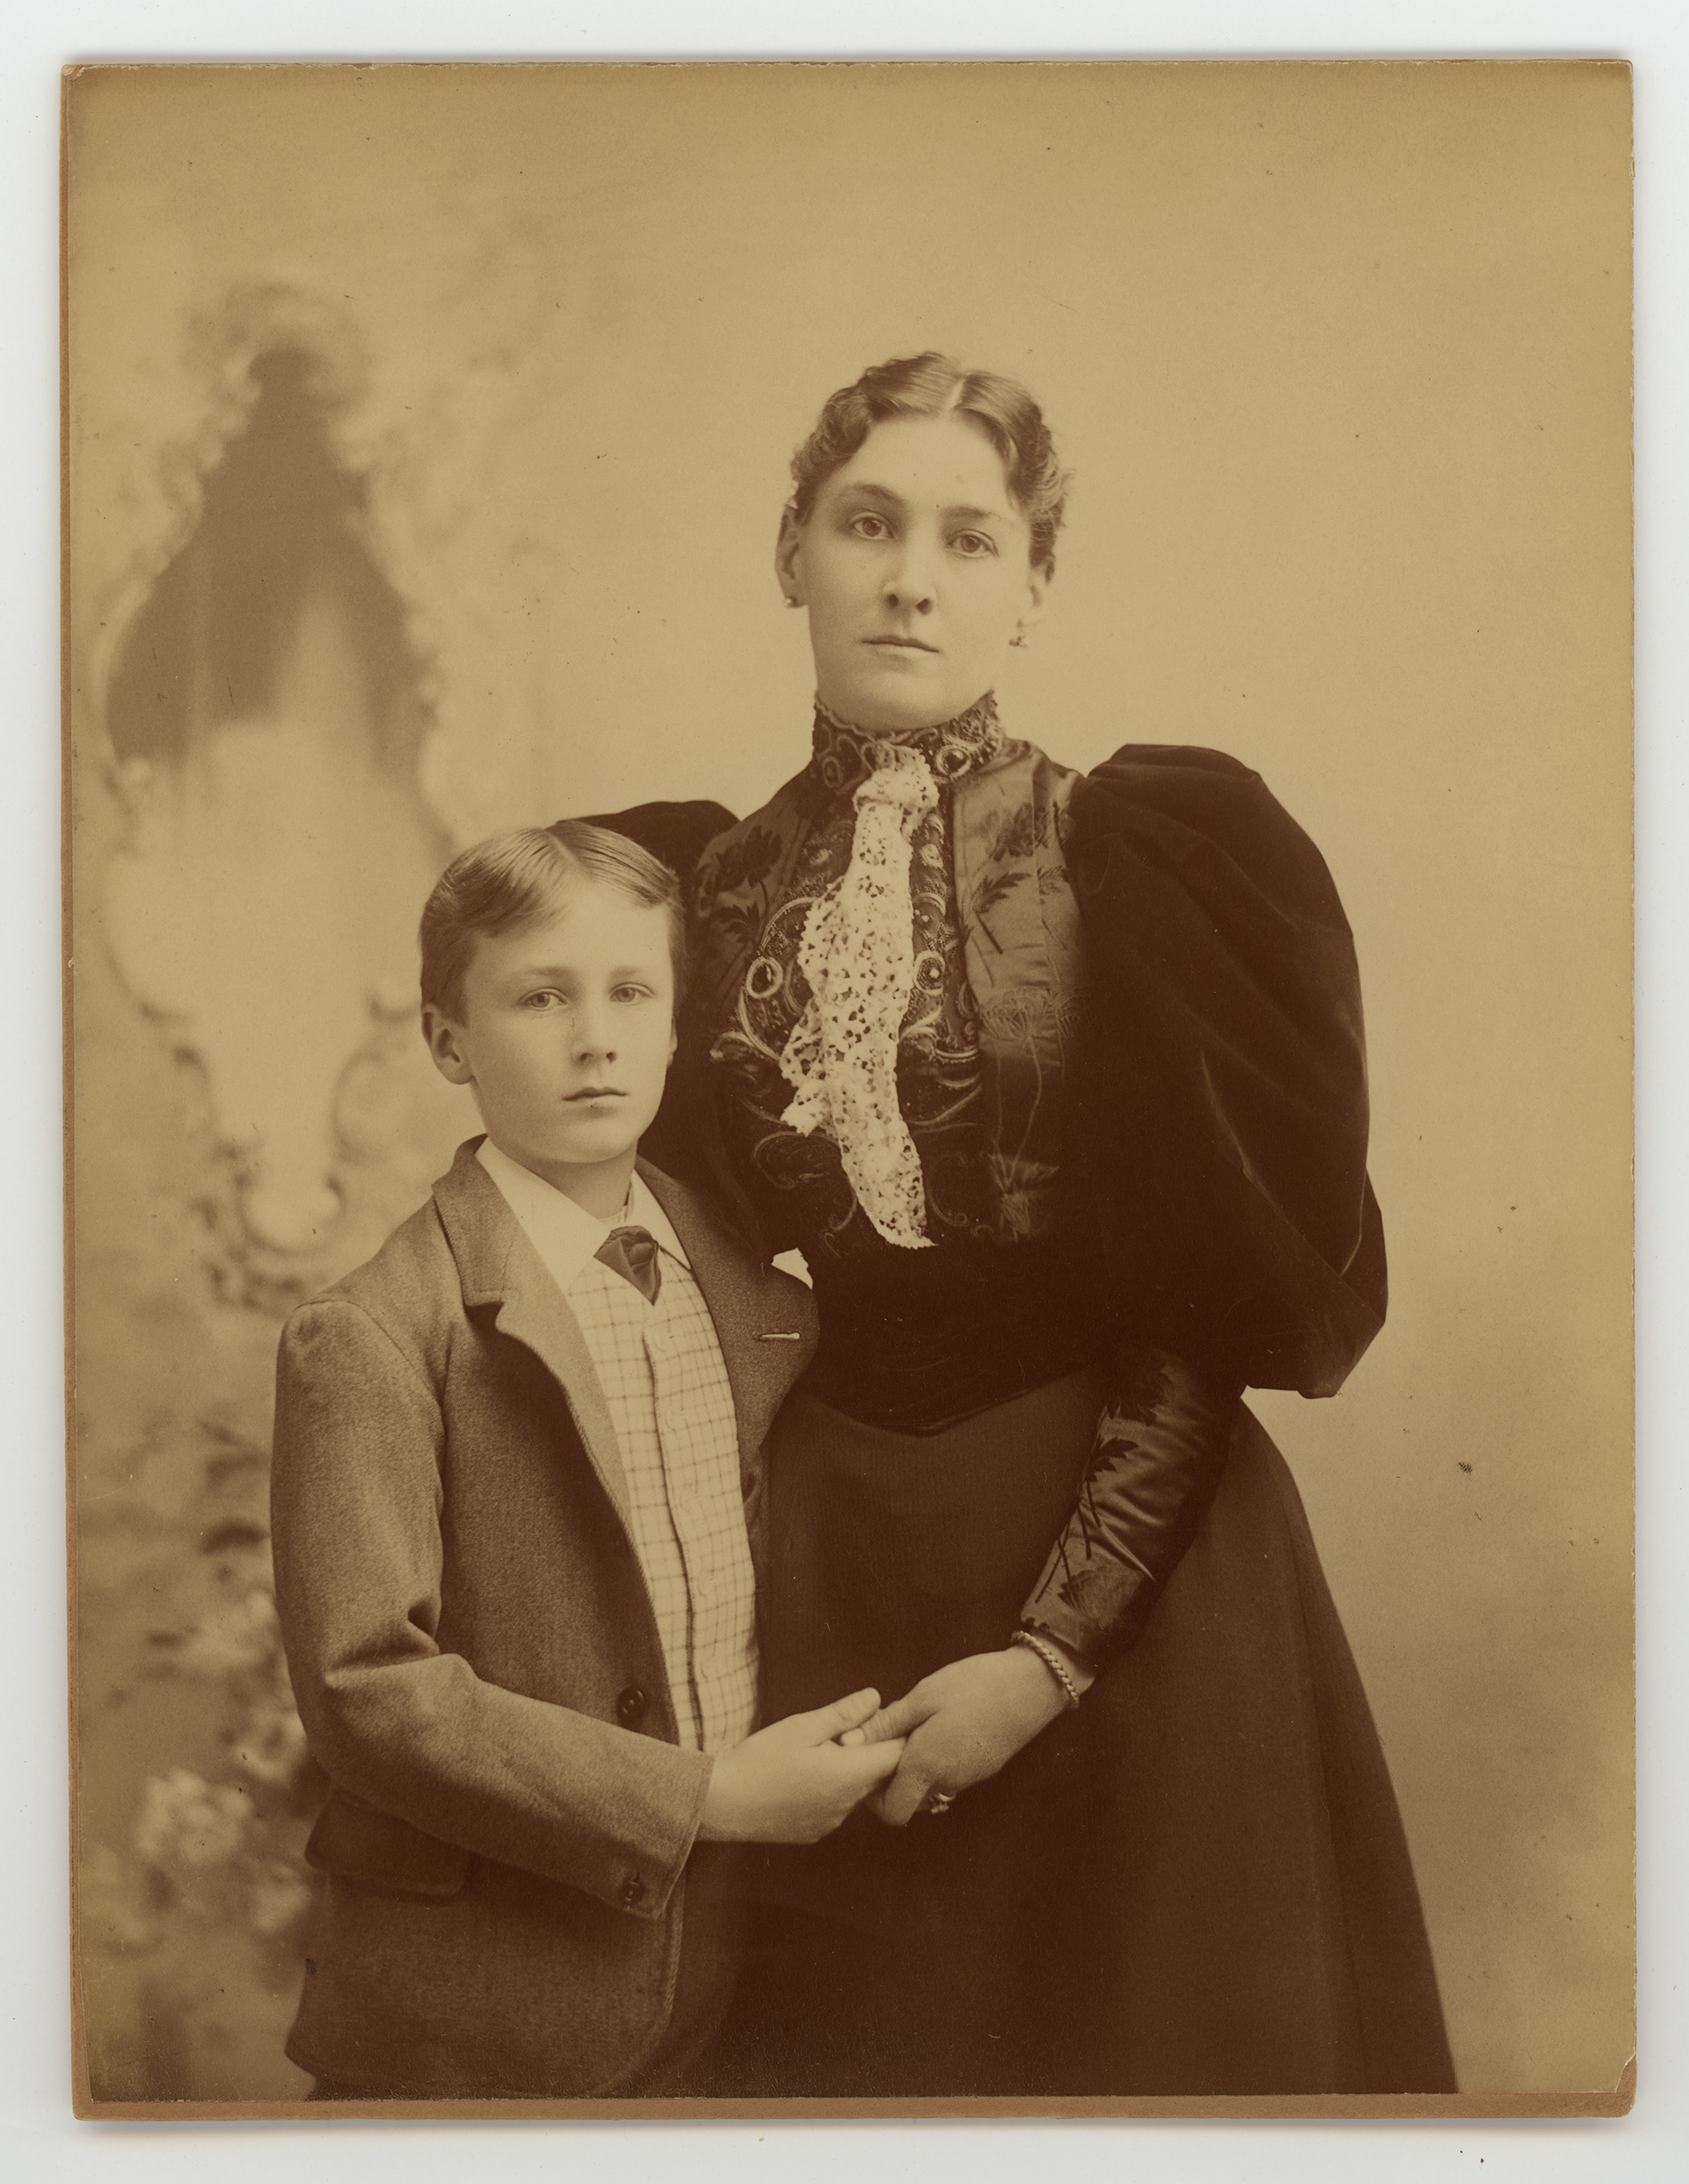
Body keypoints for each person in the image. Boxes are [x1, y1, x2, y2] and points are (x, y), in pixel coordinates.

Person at [603, 353, 1459, 2097]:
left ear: (1032, 585)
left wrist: (1052, 1655)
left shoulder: (1141, 853)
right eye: (869, 523)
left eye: (969, 538)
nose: (912, 575)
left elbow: (1206, 1301)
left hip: (1133, 1569)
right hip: (838, 1577)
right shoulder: (694, 893)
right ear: (793, 553)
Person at [268, 824, 903, 2101]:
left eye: (630, 991)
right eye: (540, 996)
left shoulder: (765, 1300)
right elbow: (369, 1691)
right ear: (448, 1040)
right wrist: (702, 1798)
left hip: (732, 1978)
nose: (595, 1037)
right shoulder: (378, 1332)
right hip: (483, 2008)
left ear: (679, 1024)